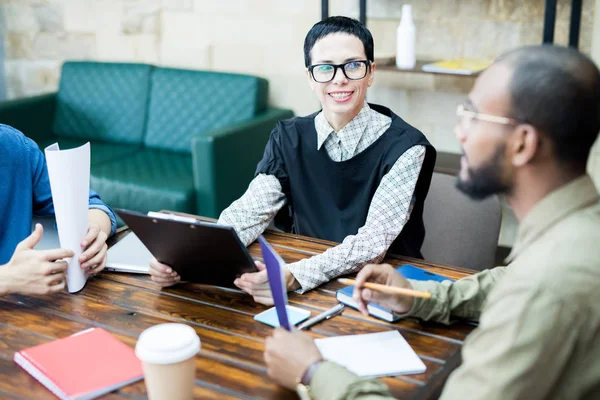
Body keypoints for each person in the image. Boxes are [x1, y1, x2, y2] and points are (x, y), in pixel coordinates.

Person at [263, 45, 600, 399]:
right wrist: (420, 297)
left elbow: (531, 287)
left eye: (473, 115)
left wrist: (313, 372)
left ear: (523, 144)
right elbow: (509, 280)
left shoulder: (546, 286)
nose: (460, 132)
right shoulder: (577, 231)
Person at [149, 16, 436, 303]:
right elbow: (250, 211)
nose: (339, 78)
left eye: (353, 66)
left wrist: (294, 275)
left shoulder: (407, 147)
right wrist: (189, 258)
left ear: (371, 72)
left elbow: (372, 244)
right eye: (325, 68)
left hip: (383, 290)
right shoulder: (289, 136)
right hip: (304, 278)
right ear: (311, 77)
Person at [0, 124, 117, 296]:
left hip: (21, 309)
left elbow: (90, 205)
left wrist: (94, 231)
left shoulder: (14, 147)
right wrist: (6, 278)